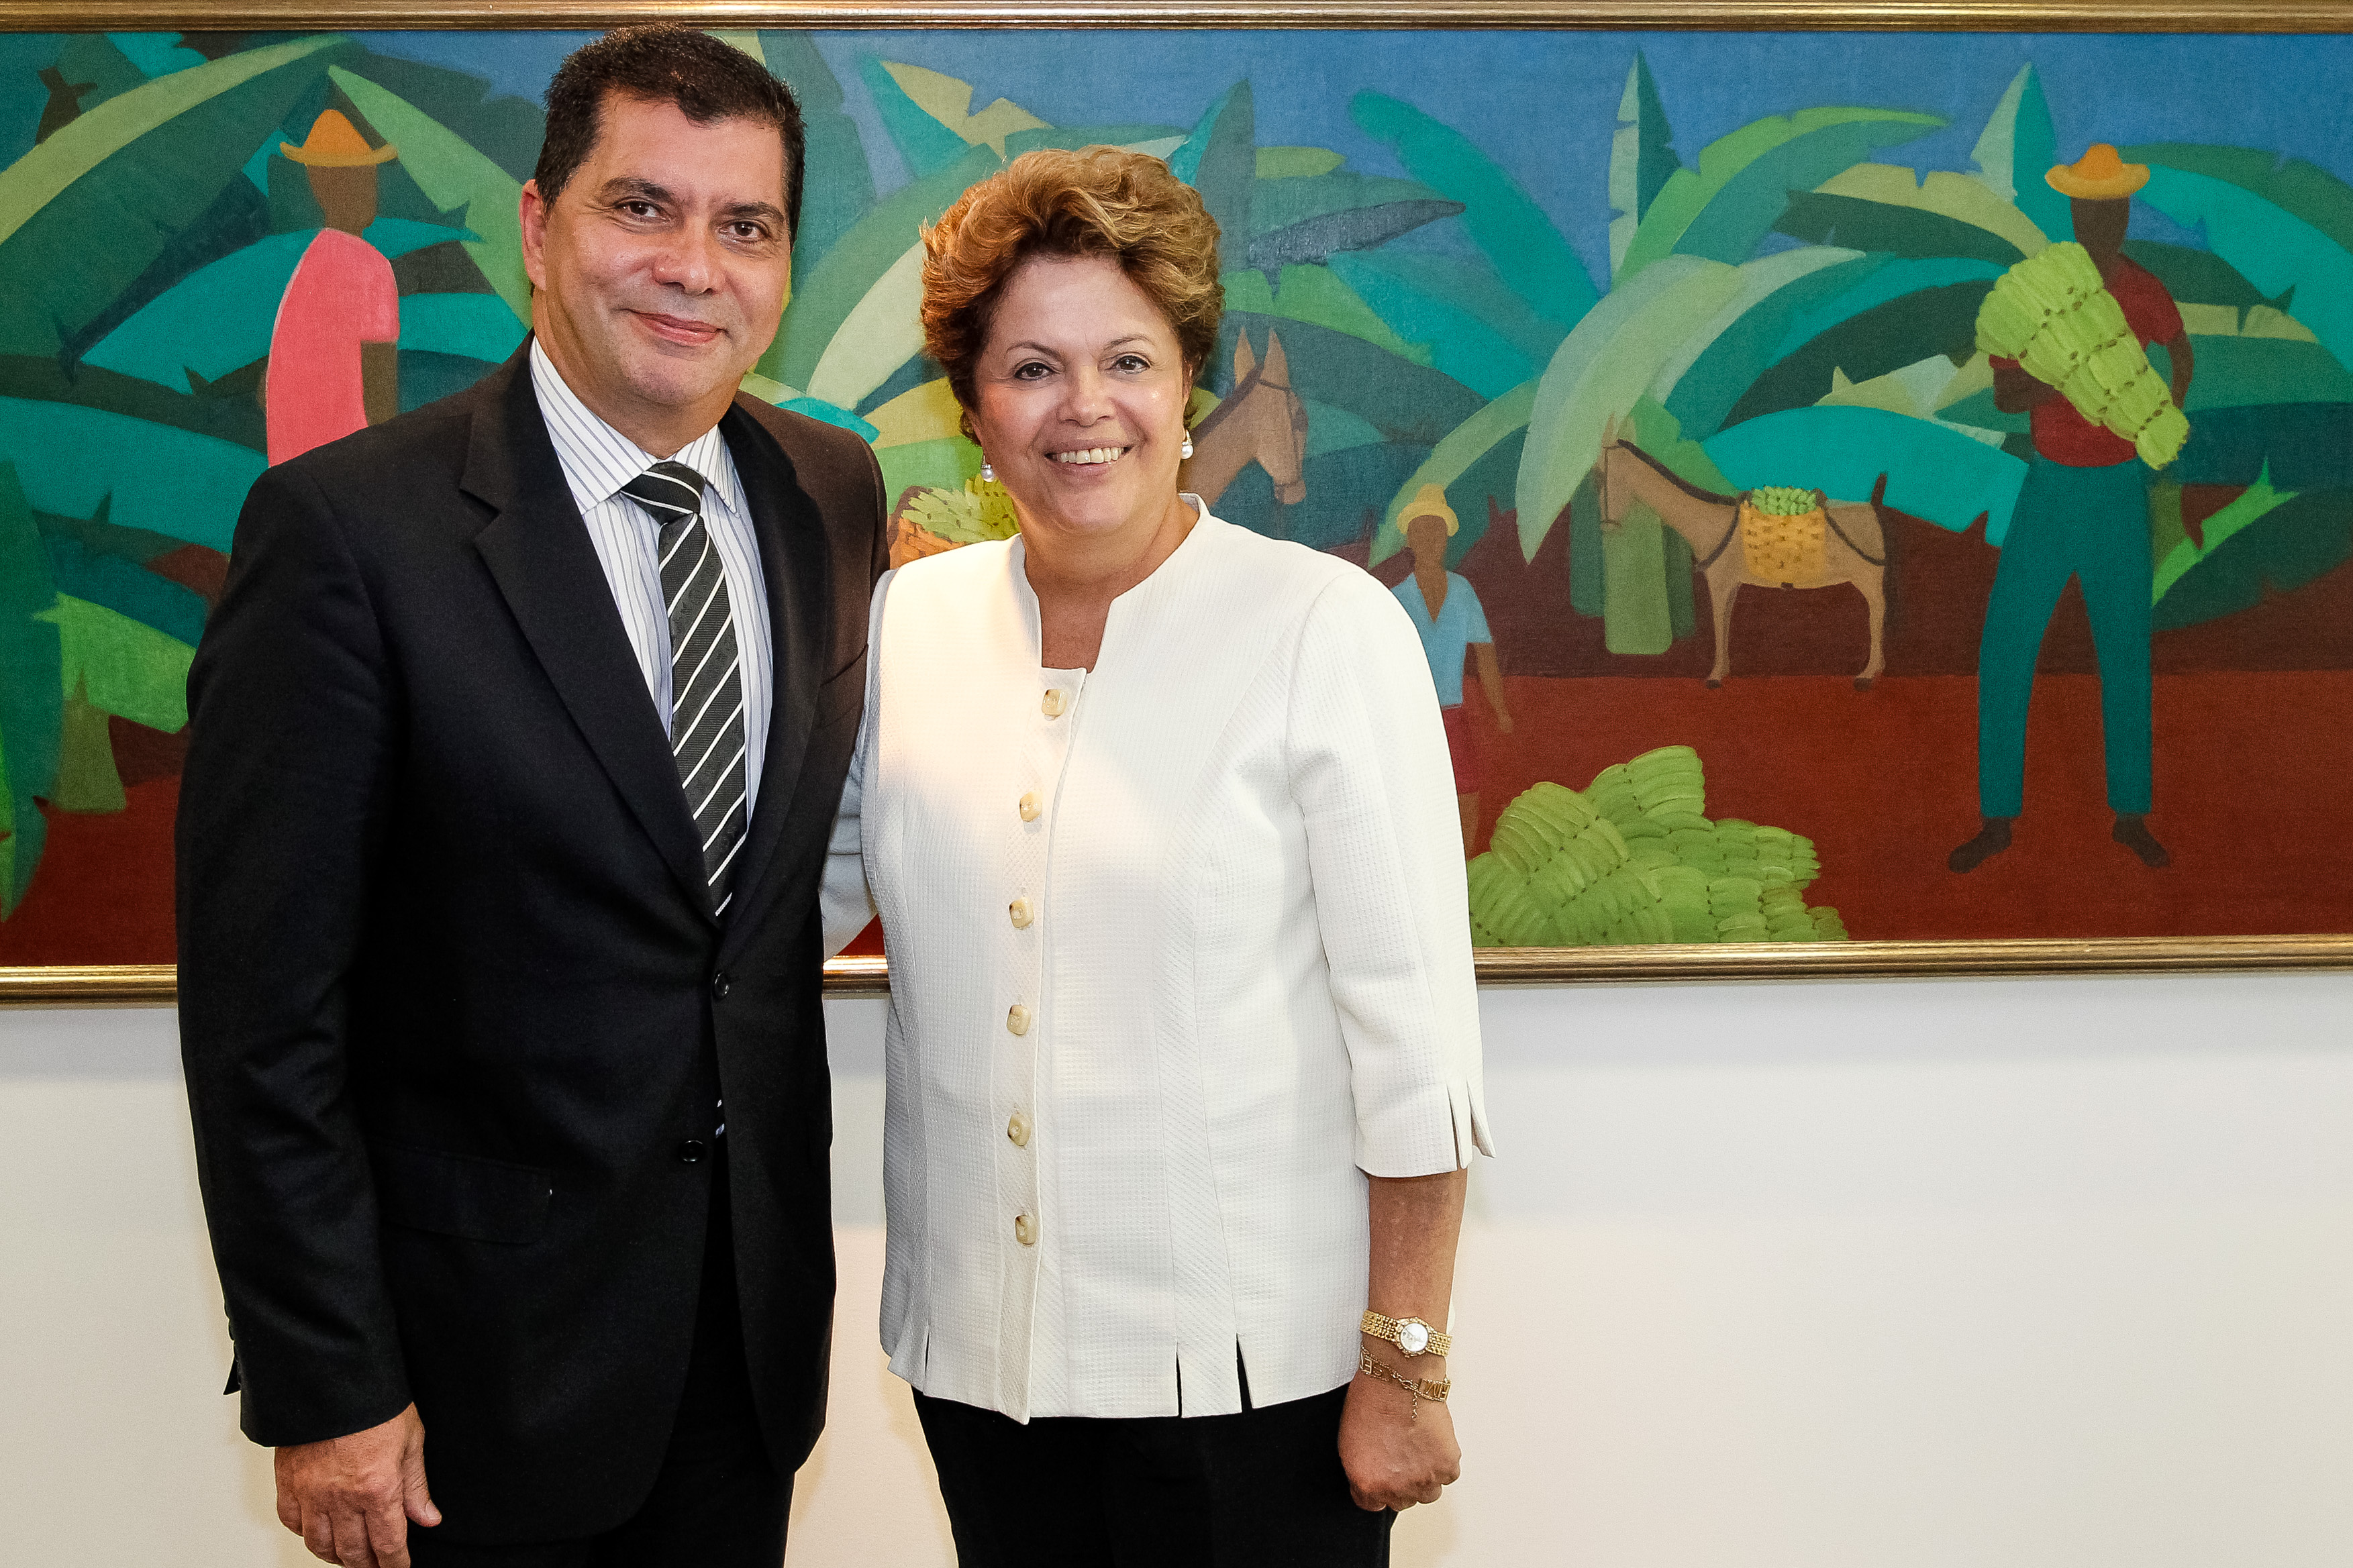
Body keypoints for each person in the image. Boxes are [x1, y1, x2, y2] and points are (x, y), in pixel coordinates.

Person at [178, 25, 885, 1568]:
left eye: (743, 225)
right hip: (465, 1382)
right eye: (642, 207)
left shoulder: (828, 492)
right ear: (535, 229)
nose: (692, 265)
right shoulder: (346, 535)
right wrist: (329, 1377)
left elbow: (742, 922)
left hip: (746, 1350)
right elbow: (261, 1015)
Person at [822, 146, 1493, 1565]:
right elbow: (780, 914)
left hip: (1251, 1389)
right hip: (978, 1367)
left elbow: (1415, 1046)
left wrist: (1407, 1360)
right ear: (972, 408)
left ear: (1185, 385)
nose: (1085, 409)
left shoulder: (1322, 625)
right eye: (1030, 368)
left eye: (1125, 359)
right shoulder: (905, 626)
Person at [1952, 144, 2192, 875]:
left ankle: (2129, 814)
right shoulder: (2033, 297)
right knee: (2005, 648)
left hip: (2118, 488)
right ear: (2074, 214)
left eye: (2113, 209)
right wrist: (2069, 379)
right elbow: (2003, 394)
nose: (2102, 222)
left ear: (2123, 215)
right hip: (2049, 488)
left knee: (2122, 650)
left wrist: (2155, 415)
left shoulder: (2144, 290)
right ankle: (1996, 818)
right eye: (2090, 210)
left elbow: (2180, 353)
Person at [266, 109, 401, 464]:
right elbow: (380, 407)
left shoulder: (310, 264)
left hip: (295, 480)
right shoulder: (372, 270)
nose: (370, 190)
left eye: (369, 178)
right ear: (325, 187)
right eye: (361, 179)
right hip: (348, 478)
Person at [1393, 482, 1515, 855]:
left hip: (1452, 714)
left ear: (1446, 539)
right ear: (1411, 539)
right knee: (1412, 792)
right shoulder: (1396, 597)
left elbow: (1485, 655)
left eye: (1437, 532)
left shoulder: (1463, 592)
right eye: (1422, 531)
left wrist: (1500, 710)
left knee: (1465, 791)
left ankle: (1463, 865)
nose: (1430, 540)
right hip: (1411, 716)